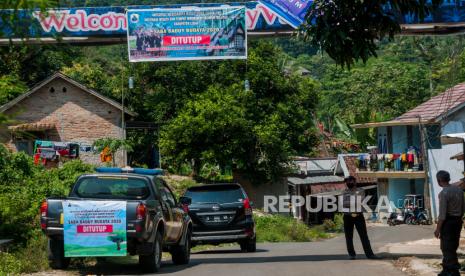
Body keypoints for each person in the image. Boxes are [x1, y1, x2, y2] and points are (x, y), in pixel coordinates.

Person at [434, 170, 465, 276]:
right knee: (453, 246)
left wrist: (438, 229)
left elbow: (442, 215)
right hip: (458, 221)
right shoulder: (459, 190)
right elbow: (462, 208)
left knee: (446, 247)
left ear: (439, 181)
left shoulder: (444, 193)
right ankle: (451, 269)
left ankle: (450, 271)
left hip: (448, 223)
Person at [342, 176, 380, 260]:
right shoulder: (344, 192)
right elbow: (343, 203)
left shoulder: (361, 190)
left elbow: (360, 201)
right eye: (347, 181)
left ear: (354, 182)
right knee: (348, 237)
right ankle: (351, 254)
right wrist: (354, 201)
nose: (348, 183)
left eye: (350, 181)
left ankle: (370, 255)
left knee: (364, 236)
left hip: (358, 216)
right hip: (347, 216)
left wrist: (350, 202)